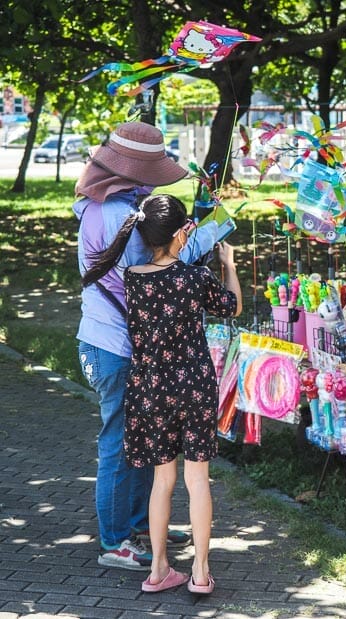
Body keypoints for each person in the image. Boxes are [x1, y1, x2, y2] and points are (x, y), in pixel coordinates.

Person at [75, 121, 221, 571]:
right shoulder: (123, 216)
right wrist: (206, 234)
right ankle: (116, 541)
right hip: (115, 346)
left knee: (140, 438)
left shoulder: (105, 203)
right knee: (119, 444)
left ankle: (141, 525)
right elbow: (159, 277)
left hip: (109, 341)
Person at [83, 193, 241, 594]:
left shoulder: (133, 277)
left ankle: (158, 569)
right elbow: (231, 306)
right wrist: (229, 265)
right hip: (194, 386)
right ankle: (200, 572)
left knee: (161, 481)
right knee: (198, 480)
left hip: (150, 388)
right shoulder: (194, 278)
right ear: (179, 233)